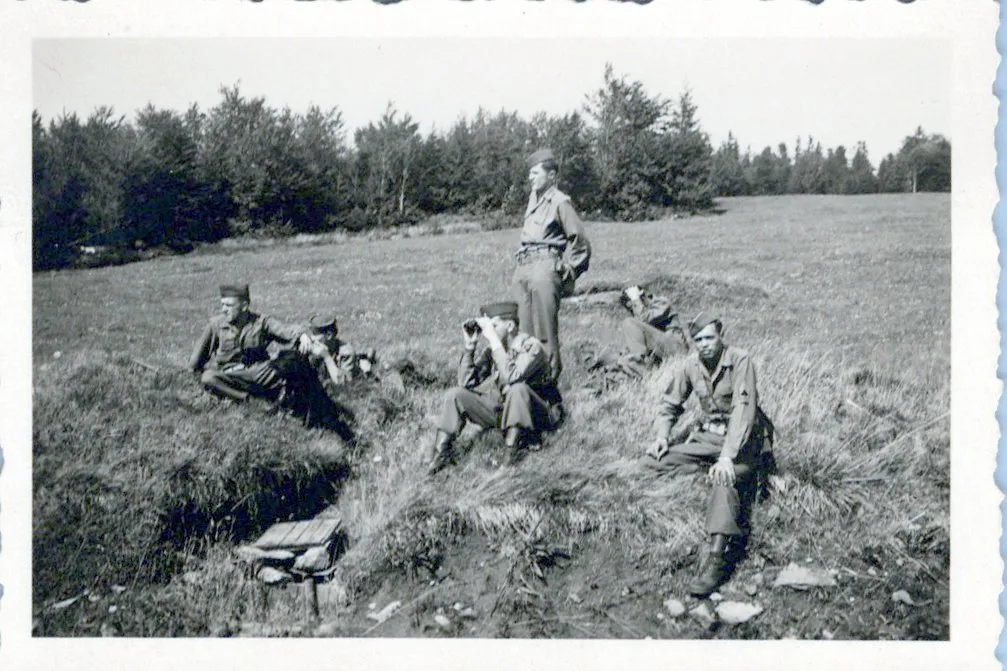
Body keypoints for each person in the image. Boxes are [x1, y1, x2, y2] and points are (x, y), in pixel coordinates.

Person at [644, 315, 775, 596]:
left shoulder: (740, 360)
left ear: (720, 336)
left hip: (744, 442)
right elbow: (670, 403)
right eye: (698, 339)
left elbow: (744, 410)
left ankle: (719, 558)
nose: (704, 345)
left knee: (723, 480)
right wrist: (662, 437)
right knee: (652, 462)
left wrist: (727, 457)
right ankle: (704, 468)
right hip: (709, 438)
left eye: (709, 338)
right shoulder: (691, 365)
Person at [425, 301, 564, 475]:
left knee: (517, 389)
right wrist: (470, 347)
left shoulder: (531, 346)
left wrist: (493, 341)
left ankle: (509, 459)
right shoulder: (495, 350)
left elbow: (513, 377)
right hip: (506, 412)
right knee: (455, 395)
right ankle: (440, 455)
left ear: (510, 325)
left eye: (494, 325)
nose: (488, 332)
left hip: (537, 415)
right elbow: (466, 383)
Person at [510, 148, 591, 381]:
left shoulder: (559, 201)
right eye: (530, 173)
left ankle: (550, 393)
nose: (530, 177)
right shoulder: (533, 199)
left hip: (545, 267)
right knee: (524, 336)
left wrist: (572, 268)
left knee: (545, 335)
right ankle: (528, 391)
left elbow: (580, 241)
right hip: (524, 267)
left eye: (535, 172)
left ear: (552, 175)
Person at [189, 284, 312, 404]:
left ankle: (286, 397)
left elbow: (285, 330)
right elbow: (195, 361)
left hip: (258, 372)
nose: (223, 310)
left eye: (229, 305)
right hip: (230, 374)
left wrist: (302, 335)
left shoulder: (261, 322)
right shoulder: (215, 324)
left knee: (289, 361)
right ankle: (247, 398)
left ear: (244, 306)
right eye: (222, 305)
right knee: (208, 378)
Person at [618, 285, 689, 375]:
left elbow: (644, 318)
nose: (631, 307)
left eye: (631, 303)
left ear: (642, 296)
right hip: (661, 353)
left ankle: (641, 369)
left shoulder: (661, 303)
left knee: (628, 322)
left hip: (676, 348)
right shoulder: (639, 313)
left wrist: (635, 299)